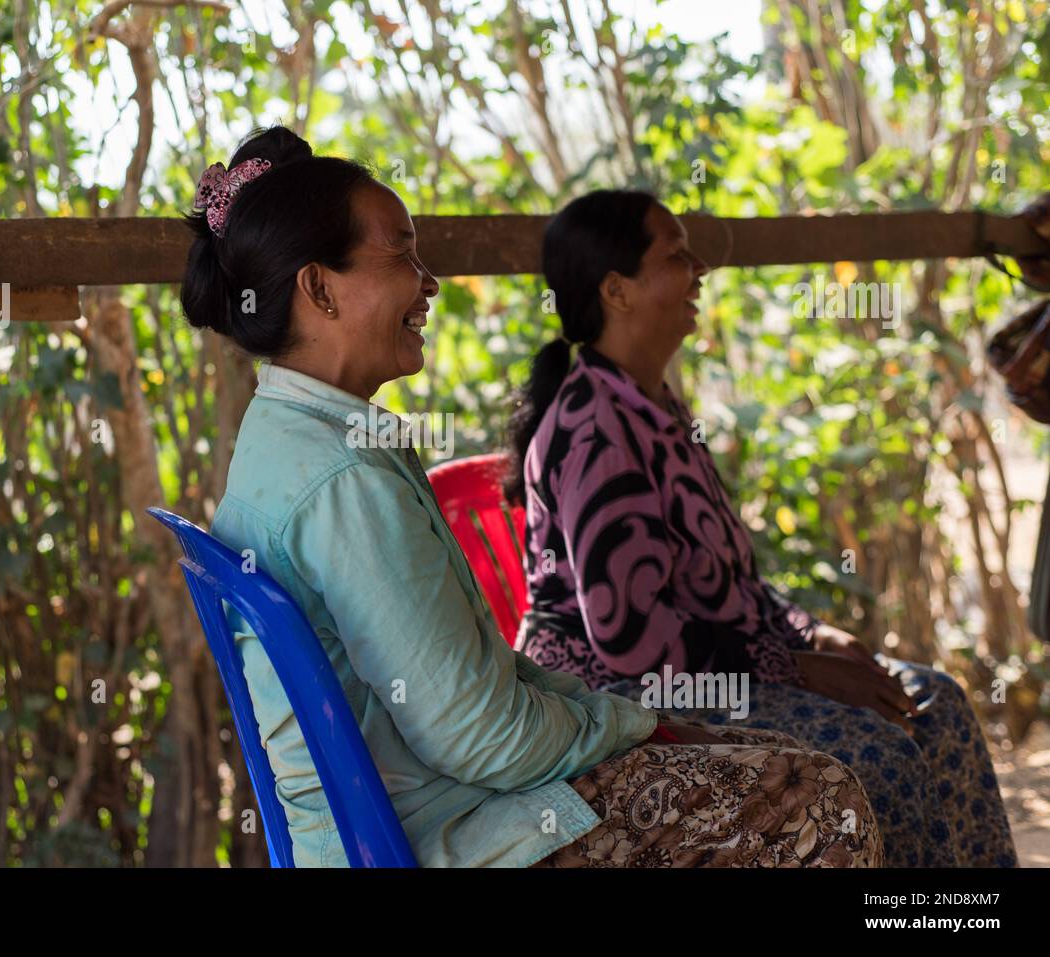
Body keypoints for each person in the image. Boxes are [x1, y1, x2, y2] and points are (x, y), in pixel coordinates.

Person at [181, 127, 882, 868]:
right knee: (822, 798)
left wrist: (633, 721)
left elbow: (481, 687)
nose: (429, 281)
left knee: (780, 760)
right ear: (319, 287)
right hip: (445, 836)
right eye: (402, 254)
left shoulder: (290, 436)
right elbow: (482, 735)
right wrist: (634, 724)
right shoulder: (343, 477)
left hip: (428, 810)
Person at [508, 188, 1018, 867]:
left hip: (707, 666)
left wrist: (810, 633)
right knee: (879, 758)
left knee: (936, 704)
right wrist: (792, 665)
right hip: (625, 694)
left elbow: (726, 582)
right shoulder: (596, 427)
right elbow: (631, 637)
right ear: (616, 290)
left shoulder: (653, 407)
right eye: (675, 256)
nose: (698, 272)